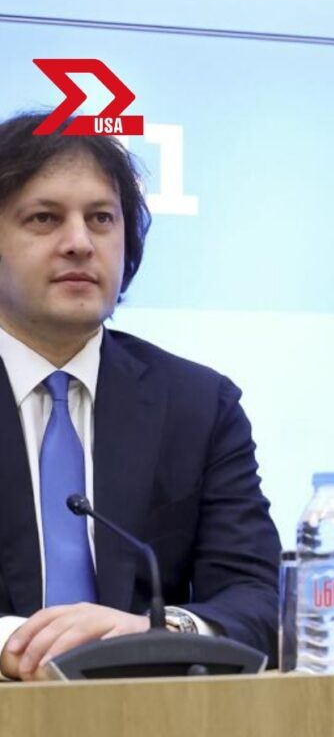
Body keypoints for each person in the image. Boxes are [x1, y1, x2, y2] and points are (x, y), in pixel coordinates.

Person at [0, 111, 281, 680]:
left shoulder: (199, 406)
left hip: (154, 722)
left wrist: (158, 631)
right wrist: (14, 641)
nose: (79, 243)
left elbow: (257, 602)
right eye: (44, 218)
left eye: (101, 219)